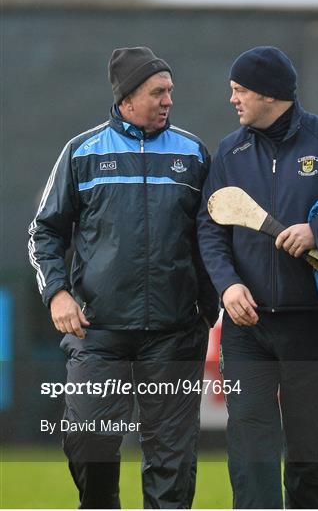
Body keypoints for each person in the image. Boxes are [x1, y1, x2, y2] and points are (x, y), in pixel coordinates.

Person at [197, 46, 318, 509]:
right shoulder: (230, 152)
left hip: (314, 324)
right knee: (251, 449)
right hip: (247, 329)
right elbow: (210, 228)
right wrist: (228, 285)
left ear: (270, 94)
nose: (233, 100)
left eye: (240, 90)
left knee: (309, 456)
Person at [28, 46, 219, 509]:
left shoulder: (194, 155)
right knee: (89, 441)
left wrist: (208, 309)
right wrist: (57, 294)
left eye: (170, 91)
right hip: (99, 330)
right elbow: (44, 232)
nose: (168, 100)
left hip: (175, 333)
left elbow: (213, 238)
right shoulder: (82, 152)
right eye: (158, 92)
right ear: (127, 98)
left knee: (171, 460)